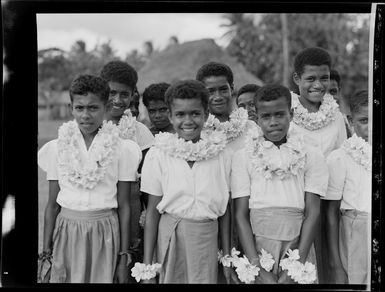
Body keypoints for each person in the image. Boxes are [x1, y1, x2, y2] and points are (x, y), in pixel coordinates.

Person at [38, 75, 142, 283]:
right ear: (71, 108)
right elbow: (51, 205)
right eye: (80, 108)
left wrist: (123, 256)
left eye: (93, 108)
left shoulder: (122, 149)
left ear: (106, 106)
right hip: (66, 230)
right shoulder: (57, 147)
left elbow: (123, 205)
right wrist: (46, 251)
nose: (85, 115)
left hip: (105, 231)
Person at [139, 80, 237, 284]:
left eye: (195, 113)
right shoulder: (158, 154)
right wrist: (148, 265)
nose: (188, 121)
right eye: (180, 114)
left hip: (207, 238)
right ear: (170, 116)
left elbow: (226, 209)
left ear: (206, 114)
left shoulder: (222, 153)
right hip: (171, 235)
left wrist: (226, 255)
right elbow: (152, 213)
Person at [231, 84, 328, 284]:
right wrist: (255, 265)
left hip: (298, 243)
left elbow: (313, 212)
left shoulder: (311, 153)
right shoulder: (243, 157)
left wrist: (298, 264)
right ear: (256, 118)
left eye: (279, 115)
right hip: (258, 245)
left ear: (291, 114)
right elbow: (240, 214)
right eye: (266, 117)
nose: (273, 122)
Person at [290, 47, 347, 283]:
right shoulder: (287, 114)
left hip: (329, 206)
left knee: (327, 263)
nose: (318, 85)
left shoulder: (336, 117)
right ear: (297, 79)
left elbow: (343, 154)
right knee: (298, 264)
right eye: (310, 78)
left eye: (323, 78)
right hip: (296, 203)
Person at [100, 61, 154, 267]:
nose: (117, 100)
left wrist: (148, 218)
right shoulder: (88, 126)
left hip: (129, 215)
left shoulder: (140, 132)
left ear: (133, 95)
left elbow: (148, 187)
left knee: (126, 267)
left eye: (124, 94)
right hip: (95, 215)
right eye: (112, 93)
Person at [323, 90, 371, 285]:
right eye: (364, 120)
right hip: (355, 232)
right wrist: (335, 264)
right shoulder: (340, 157)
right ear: (351, 121)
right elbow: (330, 212)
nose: (372, 127)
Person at [196, 62, 258, 152]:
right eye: (211, 91)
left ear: (232, 89)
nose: (218, 97)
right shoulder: (197, 132)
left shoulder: (250, 128)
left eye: (223, 90)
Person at [328, 69, 353, 138]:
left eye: (333, 91)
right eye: (323, 92)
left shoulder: (349, 124)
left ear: (339, 91)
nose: (329, 97)